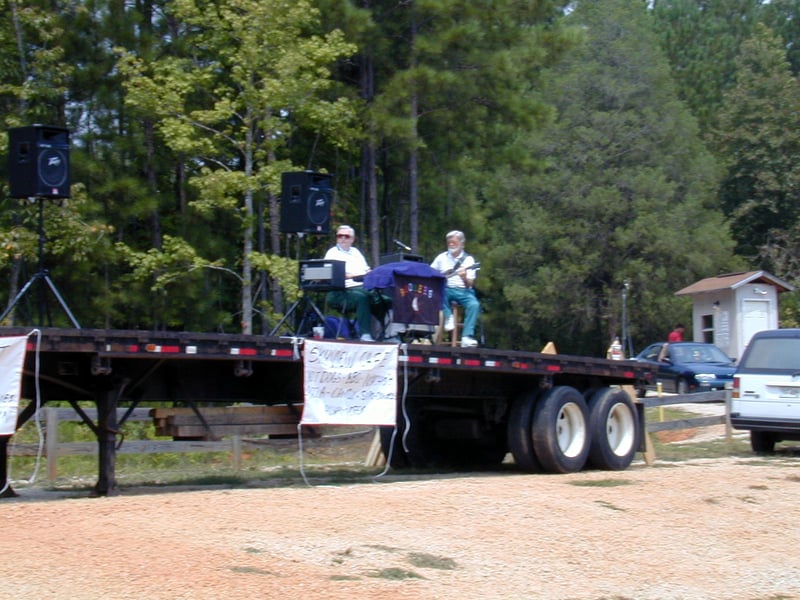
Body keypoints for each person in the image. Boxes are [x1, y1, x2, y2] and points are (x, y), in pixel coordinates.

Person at [324, 225, 389, 342]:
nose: (343, 238)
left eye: (346, 236)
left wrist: (373, 274)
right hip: (341, 291)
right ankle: (365, 335)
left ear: (352, 239)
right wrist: (354, 276)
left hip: (362, 287)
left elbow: (366, 270)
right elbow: (333, 274)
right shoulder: (332, 253)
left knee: (387, 301)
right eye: (340, 236)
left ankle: (390, 334)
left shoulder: (356, 252)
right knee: (362, 298)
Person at [431, 230, 480, 348]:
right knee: (439, 292)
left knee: (474, 304)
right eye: (449, 242)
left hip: (463, 290)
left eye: (454, 242)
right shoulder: (441, 257)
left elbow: (469, 285)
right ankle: (449, 317)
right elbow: (431, 272)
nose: (451, 245)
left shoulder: (469, 260)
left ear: (462, 244)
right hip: (447, 289)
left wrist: (463, 277)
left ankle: (466, 337)